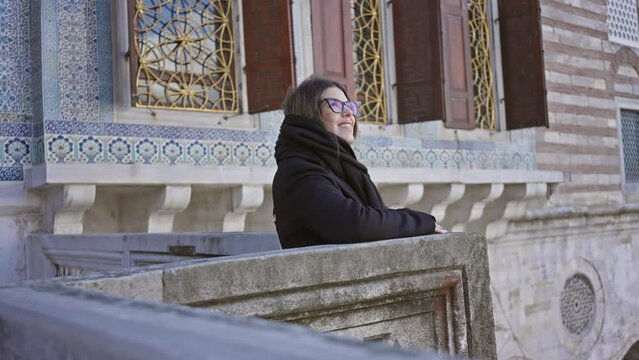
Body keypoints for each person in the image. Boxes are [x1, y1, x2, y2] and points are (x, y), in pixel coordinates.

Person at [272, 76, 446, 249]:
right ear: (309, 114)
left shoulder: (337, 168)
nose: (348, 113)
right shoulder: (298, 171)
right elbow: (355, 223)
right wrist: (419, 222)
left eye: (349, 106)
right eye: (335, 105)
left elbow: (369, 219)